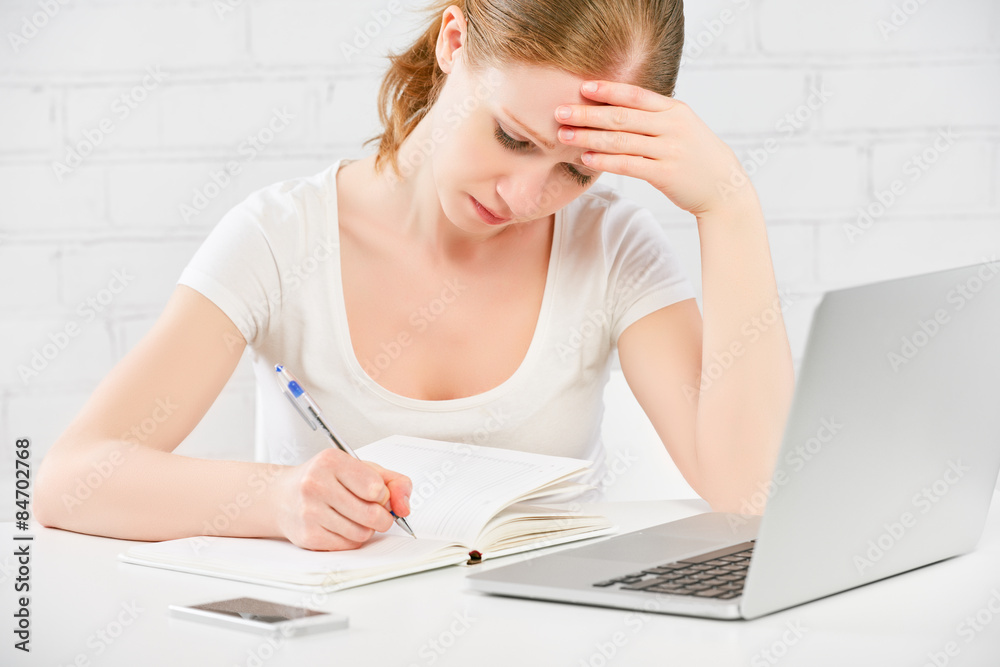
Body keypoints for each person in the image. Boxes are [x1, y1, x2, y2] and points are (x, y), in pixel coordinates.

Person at [35, 0, 794, 551]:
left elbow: (753, 495)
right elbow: (69, 478)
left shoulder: (610, 247)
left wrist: (728, 206)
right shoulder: (282, 238)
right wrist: (274, 499)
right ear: (453, 40)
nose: (523, 197)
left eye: (576, 170)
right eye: (512, 137)